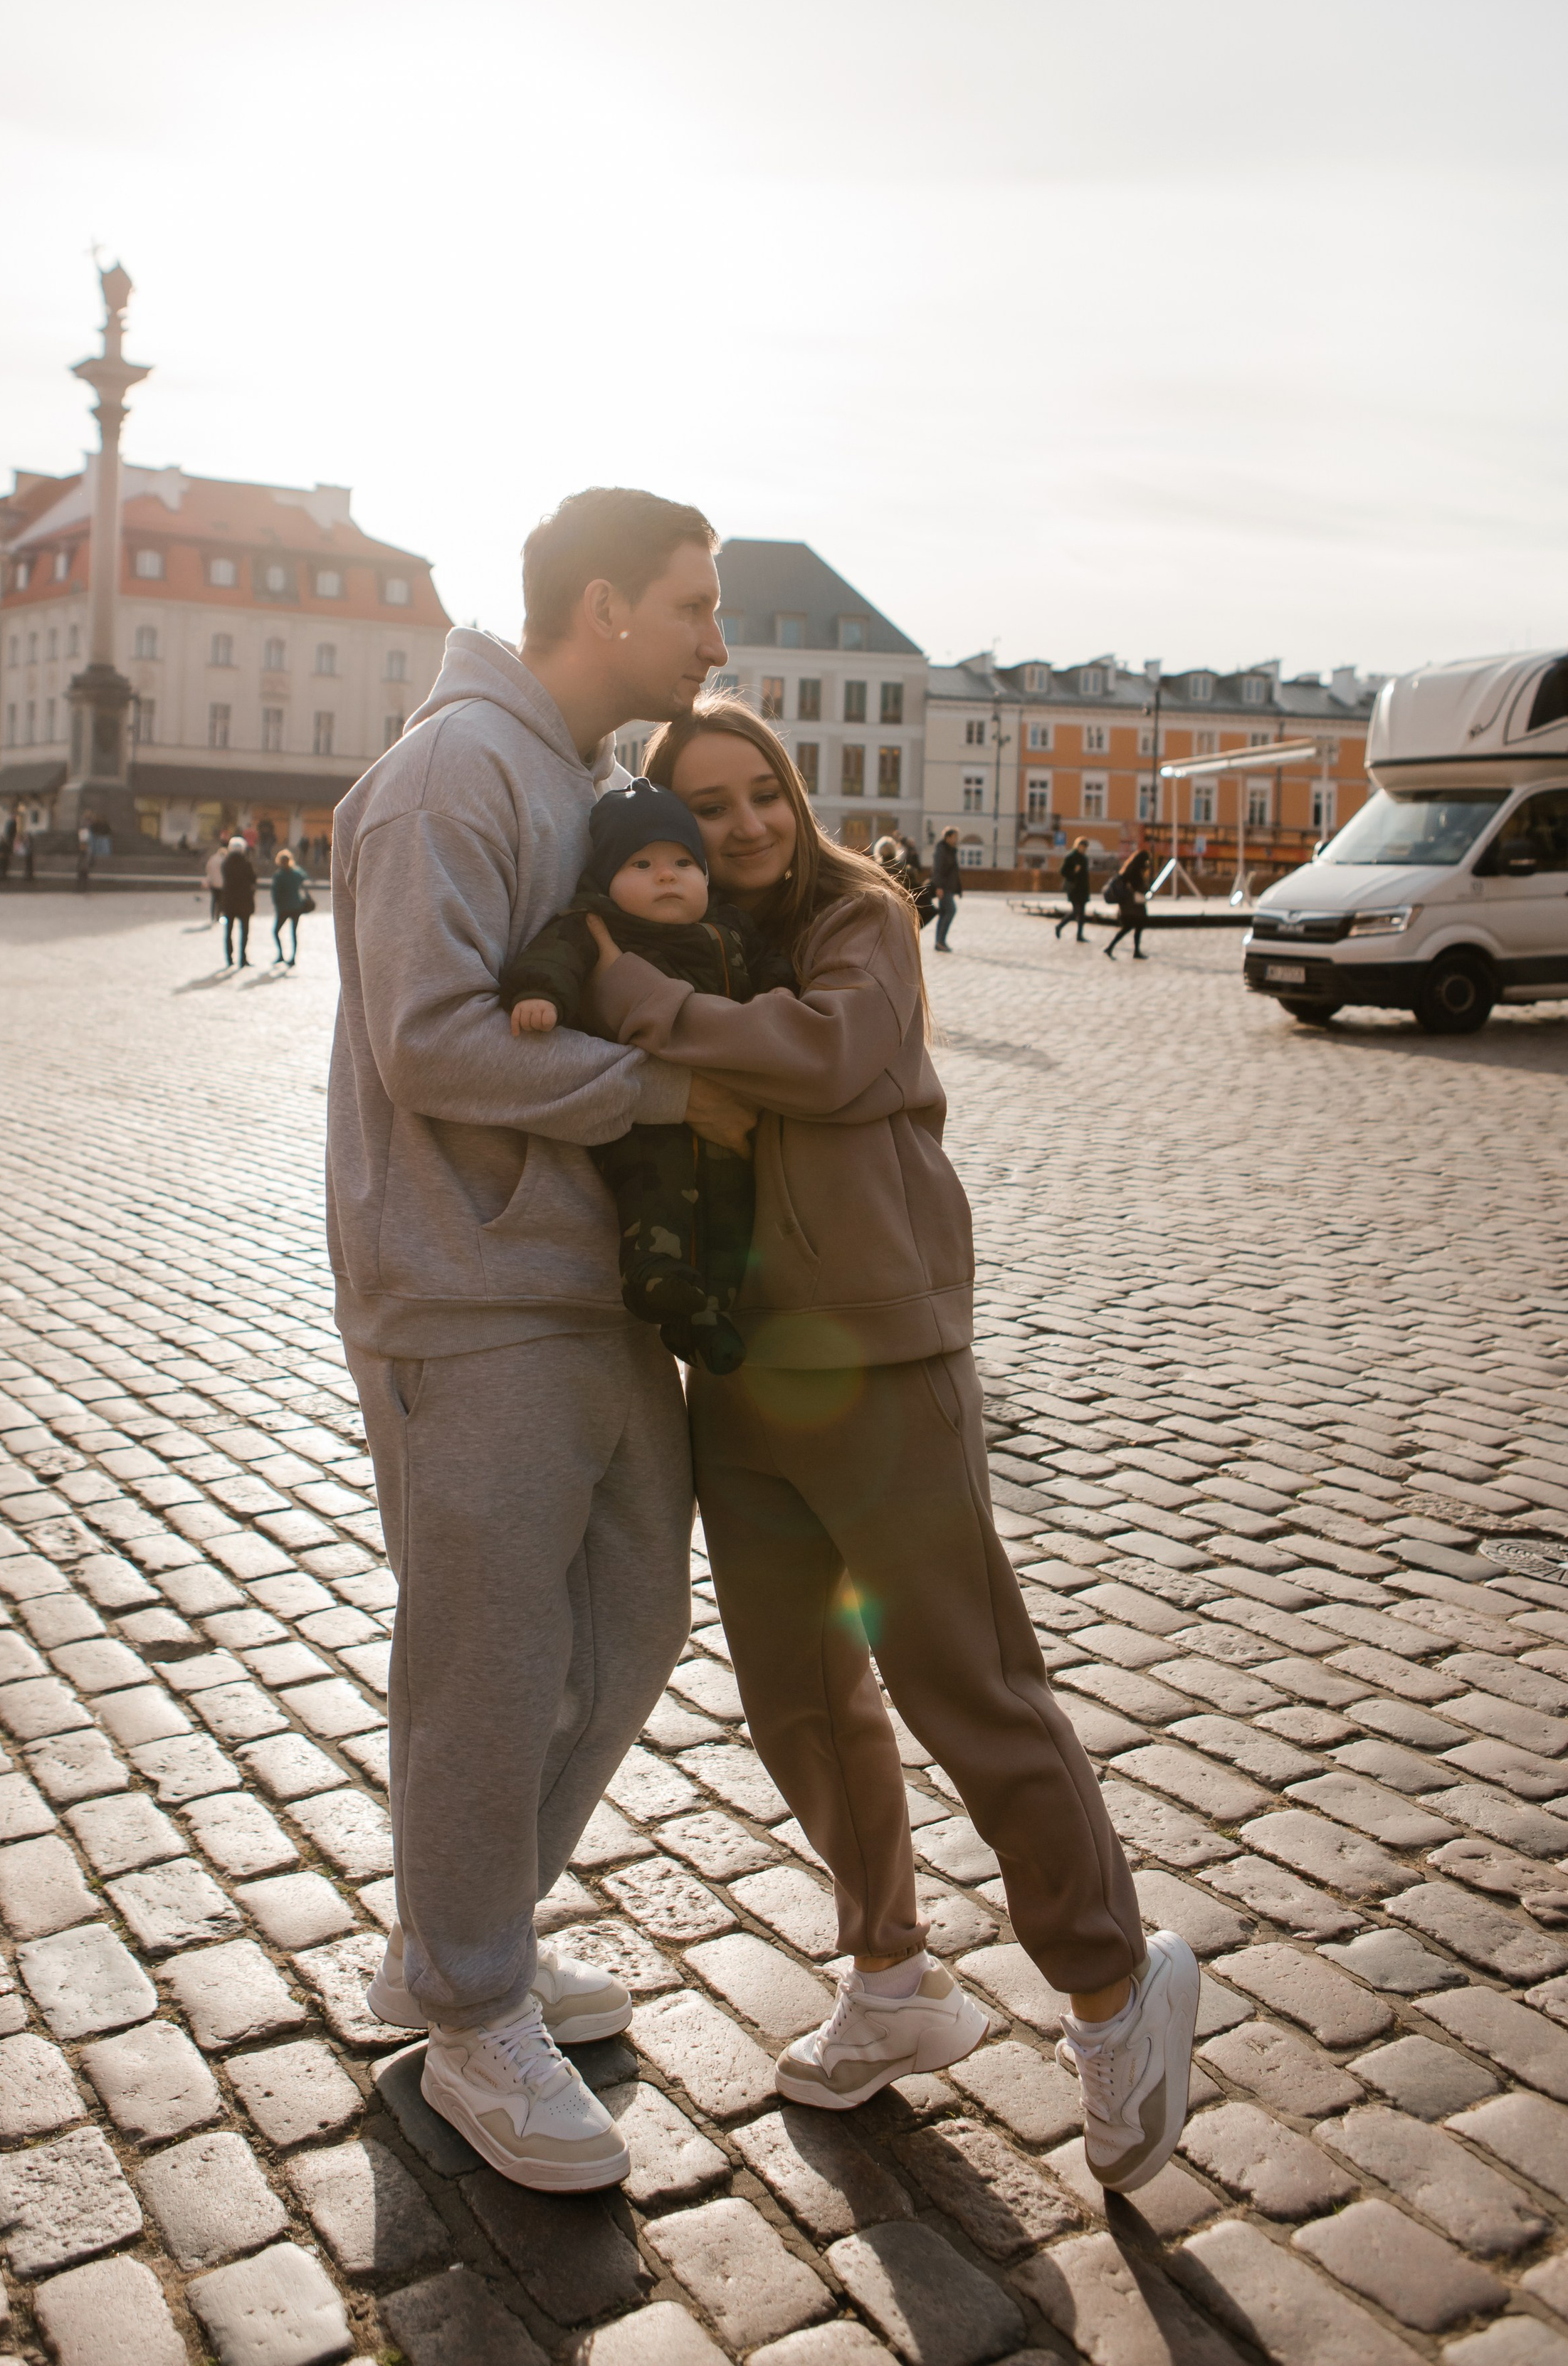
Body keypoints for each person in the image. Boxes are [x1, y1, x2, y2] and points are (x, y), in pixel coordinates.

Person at [590, 695, 1198, 2190]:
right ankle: (890, 1978)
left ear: (794, 798)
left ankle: (1114, 1989)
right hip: (737, 1367)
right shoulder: (681, 941)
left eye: (760, 798)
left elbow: (833, 1057)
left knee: (963, 1685)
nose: (739, 828)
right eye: (705, 808)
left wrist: (657, 1017)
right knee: (795, 1696)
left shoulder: (855, 914)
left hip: (877, 1352)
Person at [330, 485, 747, 2194]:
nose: (717, 639)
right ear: (600, 606)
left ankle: (468, 1929)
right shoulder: (449, 775)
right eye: (692, 603)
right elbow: (430, 1041)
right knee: (488, 1649)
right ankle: (466, 2012)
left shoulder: (574, 783)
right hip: (469, 1282)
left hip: (581, 1281)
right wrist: (661, 1089)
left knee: (631, 1612)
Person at [501, 777, 788, 1373]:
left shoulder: (729, 929)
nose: (667, 875)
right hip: (648, 1119)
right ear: (607, 879)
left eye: (684, 862)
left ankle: (709, 1313)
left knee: (733, 1211)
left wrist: (785, 990)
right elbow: (553, 958)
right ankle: (653, 1278)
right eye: (643, 863)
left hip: (726, 1118)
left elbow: (771, 967)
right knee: (653, 1198)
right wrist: (540, 995)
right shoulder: (596, 925)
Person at [1105, 845, 1152, 960]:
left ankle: (1115, 948)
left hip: (1128, 906)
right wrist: (1147, 889)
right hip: (1134, 906)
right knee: (1133, 927)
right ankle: (1117, 948)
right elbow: (1139, 887)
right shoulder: (1136, 872)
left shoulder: (1128, 870)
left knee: (1130, 927)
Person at [219, 834, 257, 967]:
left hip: (229, 902)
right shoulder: (247, 864)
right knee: (244, 932)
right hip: (244, 903)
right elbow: (253, 880)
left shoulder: (226, 864)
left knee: (228, 932)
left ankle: (229, 958)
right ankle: (243, 958)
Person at [270, 846, 311, 967]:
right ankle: (293, 957)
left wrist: (277, 906)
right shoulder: (296, 873)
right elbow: (304, 876)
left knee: (276, 931)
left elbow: (275, 894)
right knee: (294, 933)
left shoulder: (279, 876)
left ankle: (281, 955)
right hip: (296, 906)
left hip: (283, 908)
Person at [930, 829, 963, 951]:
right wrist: (938, 887)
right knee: (951, 910)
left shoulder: (950, 851)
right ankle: (940, 941)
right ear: (948, 838)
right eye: (955, 837)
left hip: (948, 887)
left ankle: (939, 942)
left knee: (944, 913)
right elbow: (937, 870)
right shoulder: (942, 851)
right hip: (943, 887)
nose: (956, 840)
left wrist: (958, 889)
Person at [1056, 836, 1091, 942]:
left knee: (1082, 914)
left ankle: (1079, 935)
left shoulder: (1084, 858)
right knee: (1076, 911)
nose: (1084, 849)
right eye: (1082, 846)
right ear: (1077, 846)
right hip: (1074, 888)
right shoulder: (1071, 857)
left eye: (1085, 847)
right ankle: (1060, 926)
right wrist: (1074, 872)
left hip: (1083, 888)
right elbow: (1063, 871)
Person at [204, 836, 228, 922]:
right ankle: (219, 916)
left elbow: (208, 869)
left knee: (214, 900)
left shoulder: (213, 859)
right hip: (222, 883)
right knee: (222, 900)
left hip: (213, 883)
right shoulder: (225, 860)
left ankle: (213, 916)